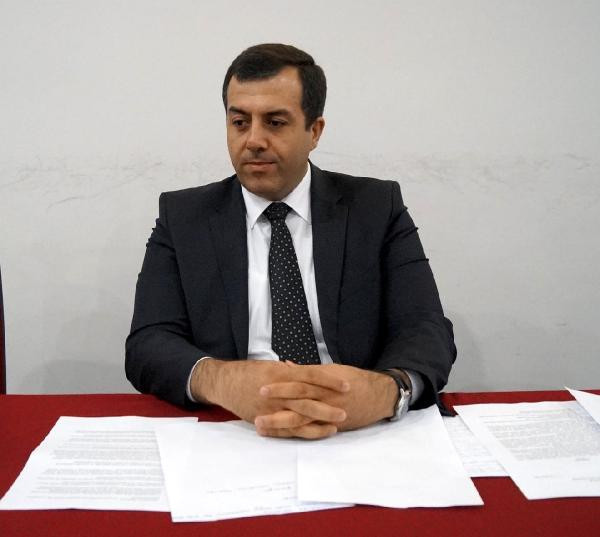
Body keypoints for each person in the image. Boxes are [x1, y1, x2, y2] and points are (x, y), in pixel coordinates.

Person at [125, 43, 456, 439]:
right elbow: (148, 343)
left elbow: (425, 328)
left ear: (314, 131)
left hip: (357, 430)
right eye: (240, 122)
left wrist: (384, 392)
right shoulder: (184, 217)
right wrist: (223, 380)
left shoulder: (375, 207)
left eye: (275, 122)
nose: (254, 140)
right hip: (233, 430)